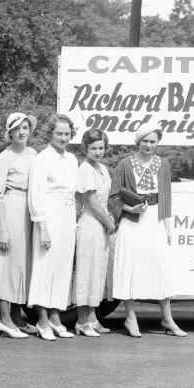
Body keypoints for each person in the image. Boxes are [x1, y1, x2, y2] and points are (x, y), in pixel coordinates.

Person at [111, 126, 186, 338]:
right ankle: (130, 317)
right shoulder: (124, 165)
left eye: (153, 142)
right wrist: (129, 208)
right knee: (131, 266)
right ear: (138, 142)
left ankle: (168, 318)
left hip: (155, 220)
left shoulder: (163, 165)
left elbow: (166, 197)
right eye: (145, 141)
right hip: (133, 221)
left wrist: (168, 227)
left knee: (160, 266)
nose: (149, 145)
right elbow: (114, 197)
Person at [27, 114, 80, 341]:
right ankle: (42, 320)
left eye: (67, 134)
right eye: (59, 133)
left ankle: (56, 317)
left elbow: (74, 193)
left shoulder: (72, 159)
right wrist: (43, 227)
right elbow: (35, 196)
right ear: (50, 133)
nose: (63, 138)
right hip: (48, 218)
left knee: (62, 269)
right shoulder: (42, 158)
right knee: (44, 268)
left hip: (67, 218)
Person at [0, 112, 38, 339]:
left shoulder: (34, 154)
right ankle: (4, 319)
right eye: (16, 128)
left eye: (25, 127)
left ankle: (17, 317)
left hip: (29, 211)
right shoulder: (4, 157)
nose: (21, 132)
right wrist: (2, 229)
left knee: (21, 265)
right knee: (6, 263)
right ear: (10, 132)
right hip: (10, 208)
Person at [72, 129, 116, 337]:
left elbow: (105, 201)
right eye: (93, 148)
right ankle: (81, 321)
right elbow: (91, 202)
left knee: (97, 272)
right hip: (90, 224)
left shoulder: (103, 169)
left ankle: (92, 317)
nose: (98, 152)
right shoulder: (85, 169)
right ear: (85, 148)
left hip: (102, 224)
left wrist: (110, 219)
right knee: (86, 272)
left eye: (101, 148)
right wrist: (108, 222)